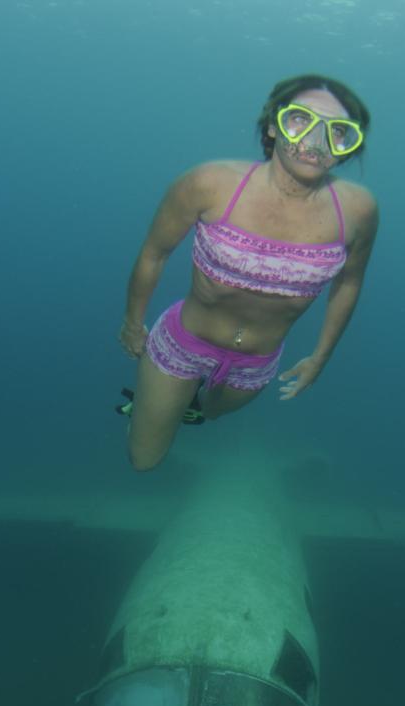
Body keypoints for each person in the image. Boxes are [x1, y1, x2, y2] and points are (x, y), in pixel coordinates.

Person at [117, 74, 379, 471]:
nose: (315, 141)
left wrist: (320, 358)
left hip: (258, 362)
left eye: (338, 132)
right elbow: (155, 252)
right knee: (144, 460)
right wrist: (133, 323)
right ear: (273, 125)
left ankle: (190, 404)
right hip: (184, 342)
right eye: (299, 120)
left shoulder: (358, 211)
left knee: (211, 414)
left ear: (349, 146)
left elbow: (349, 282)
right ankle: (156, 402)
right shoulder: (209, 183)